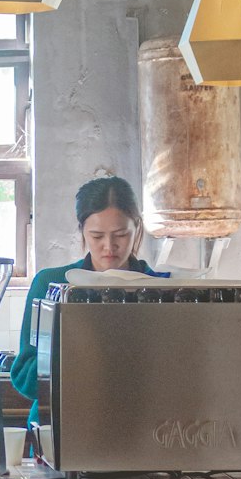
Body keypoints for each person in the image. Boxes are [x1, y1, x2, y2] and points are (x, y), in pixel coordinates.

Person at [10, 176, 156, 425]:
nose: (109, 246)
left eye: (121, 234)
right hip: (61, 430)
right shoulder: (50, 284)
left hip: (141, 428)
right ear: (81, 231)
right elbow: (24, 375)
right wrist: (75, 362)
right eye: (97, 236)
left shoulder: (160, 290)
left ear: (137, 228)